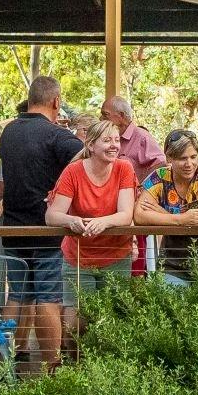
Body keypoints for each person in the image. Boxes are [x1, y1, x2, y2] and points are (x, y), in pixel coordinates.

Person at [0, 75, 85, 369]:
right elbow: (87, 158)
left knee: (18, 294)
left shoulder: (7, 133)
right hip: (48, 231)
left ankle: (7, 357)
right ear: (56, 101)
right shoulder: (57, 136)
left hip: (12, 228)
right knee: (48, 297)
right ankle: (51, 364)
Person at [48, 116, 139, 304]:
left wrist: (102, 222)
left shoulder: (124, 168)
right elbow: (52, 215)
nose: (114, 145)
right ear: (90, 145)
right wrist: (71, 221)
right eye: (107, 141)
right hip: (79, 255)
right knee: (77, 321)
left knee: (114, 318)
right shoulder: (73, 171)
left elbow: (125, 215)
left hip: (116, 254)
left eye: (117, 140)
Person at [136, 127, 198, 279]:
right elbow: (139, 216)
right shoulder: (159, 176)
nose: (189, 163)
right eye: (182, 158)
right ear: (169, 158)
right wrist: (181, 219)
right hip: (172, 262)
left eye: (193, 157)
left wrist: (162, 213)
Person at [102, 95, 165, 181]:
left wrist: (144, 188)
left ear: (121, 116)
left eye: (105, 115)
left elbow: (161, 165)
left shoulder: (142, 137)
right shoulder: (108, 136)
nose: (101, 119)